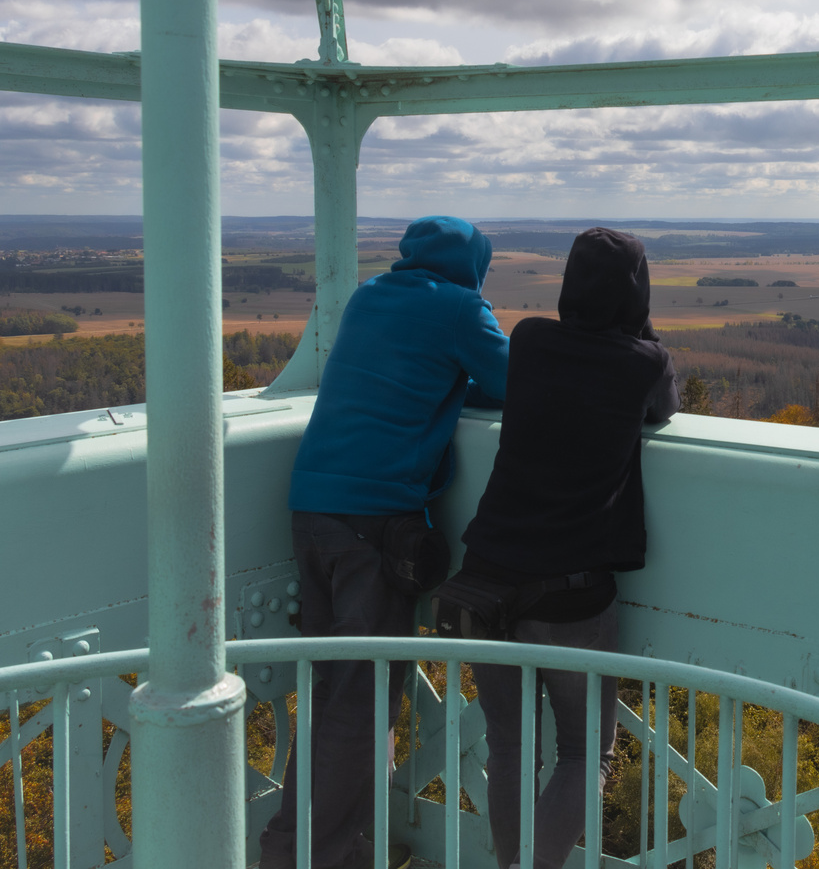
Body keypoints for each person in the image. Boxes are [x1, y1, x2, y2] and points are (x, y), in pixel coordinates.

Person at [259, 216, 510, 869]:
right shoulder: (460, 307)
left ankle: (322, 844)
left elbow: (416, 373)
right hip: (371, 524)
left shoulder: (370, 295)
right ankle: (308, 855)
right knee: (360, 705)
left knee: (332, 694)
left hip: (312, 507)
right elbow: (512, 383)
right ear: (472, 265)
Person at [457, 227, 678, 869]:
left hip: (485, 575)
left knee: (509, 748)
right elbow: (661, 412)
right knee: (585, 754)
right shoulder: (644, 362)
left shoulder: (528, 338)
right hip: (571, 590)